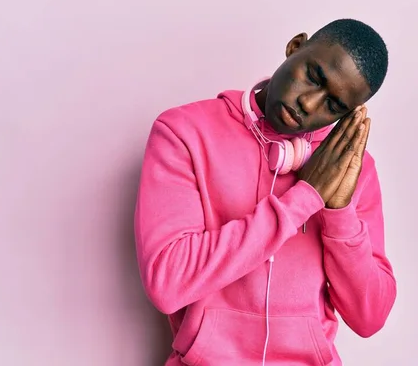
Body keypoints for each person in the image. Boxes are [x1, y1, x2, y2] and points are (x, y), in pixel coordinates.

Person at [134, 18, 397, 366]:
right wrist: (303, 199)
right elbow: (167, 284)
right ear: (295, 46)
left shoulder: (351, 171)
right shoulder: (184, 132)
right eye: (314, 76)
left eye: (333, 106)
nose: (308, 102)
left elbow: (370, 317)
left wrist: (339, 211)